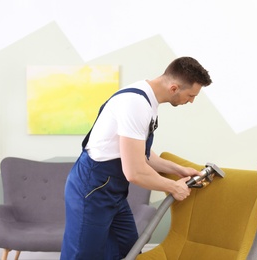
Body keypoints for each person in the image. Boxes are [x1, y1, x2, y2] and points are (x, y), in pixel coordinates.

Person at [60, 57, 212, 260]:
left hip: (112, 192)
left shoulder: (148, 100)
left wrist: (179, 170)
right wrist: (174, 187)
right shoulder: (136, 104)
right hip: (92, 189)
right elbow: (134, 172)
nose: (191, 101)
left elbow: (143, 155)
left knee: (129, 250)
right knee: (83, 255)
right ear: (174, 88)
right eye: (191, 95)